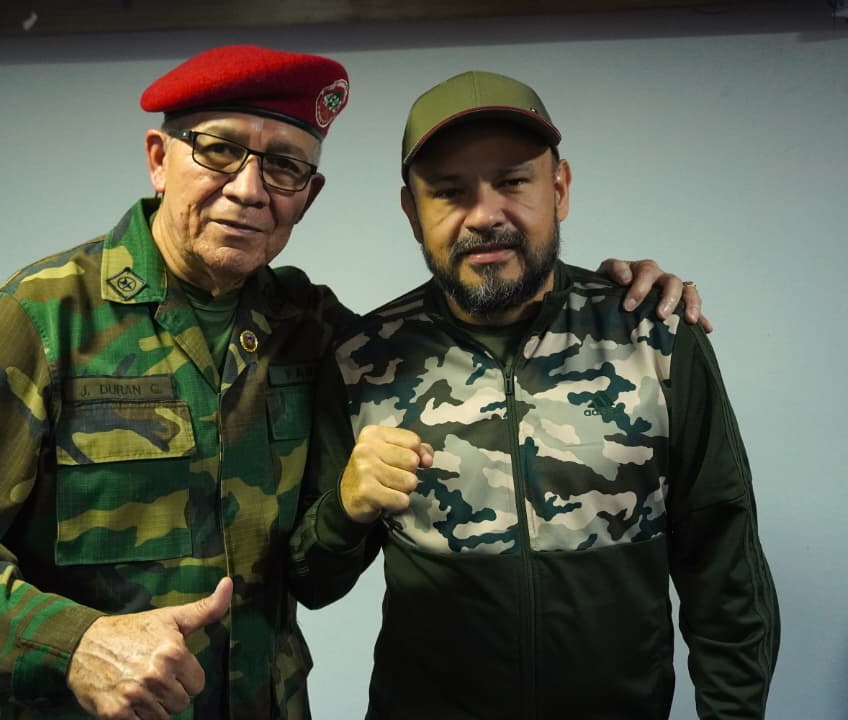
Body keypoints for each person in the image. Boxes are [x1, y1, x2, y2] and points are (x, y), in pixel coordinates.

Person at [0, 45, 707, 720]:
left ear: (310, 194)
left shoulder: (312, 330)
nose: (248, 189)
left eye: (285, 166)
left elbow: (466, 320)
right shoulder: (49, 317)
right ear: (158, 159)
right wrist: (74, 643)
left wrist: (612, 298)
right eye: (219, 150)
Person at [289, 71, 779, 720]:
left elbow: (727, 574)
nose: (485, 215)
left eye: (514, 182)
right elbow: (311, 582)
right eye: (449, 192)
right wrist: (345, 509)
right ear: (413, 213)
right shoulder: (362, 359)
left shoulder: (654, 338)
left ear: (560, 189)